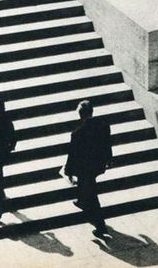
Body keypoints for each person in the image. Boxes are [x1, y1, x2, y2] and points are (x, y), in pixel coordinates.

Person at [64, 100, 112, 237]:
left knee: (92, 195)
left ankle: (101, 226)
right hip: (98, 165)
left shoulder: (77, 134)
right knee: (87, 186)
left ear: (80, 115)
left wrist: (68, 171)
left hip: (85, 168)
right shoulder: (103, 126)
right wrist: (109, 159)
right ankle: (81, 201)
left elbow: (72, 155)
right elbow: (107, 144)